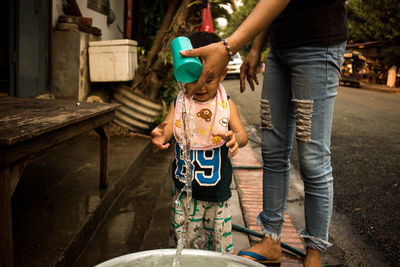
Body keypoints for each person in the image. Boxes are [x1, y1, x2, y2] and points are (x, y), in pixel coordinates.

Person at [181, 0, 349, 266]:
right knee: (272, 148)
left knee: (312, 157)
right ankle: (271, 239)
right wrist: (257, 47)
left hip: (318, 47)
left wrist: (228, 47)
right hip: (279, 51)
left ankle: (314, 252)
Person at [151, 31, 248, 253]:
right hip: (184, 195)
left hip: (218, 195)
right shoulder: (181, 102)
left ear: (222, 73)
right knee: (183, 248)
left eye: (209, 78)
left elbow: (243, 136)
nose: (200, 85)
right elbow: (167, 130)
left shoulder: (226, 104)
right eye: (193, 78)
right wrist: (159, 135)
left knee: (220, 248)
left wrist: (236, 138)